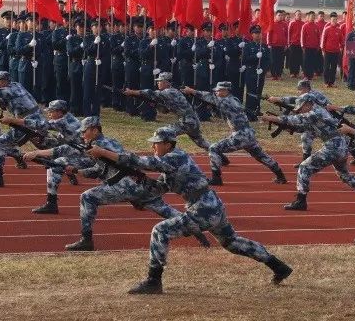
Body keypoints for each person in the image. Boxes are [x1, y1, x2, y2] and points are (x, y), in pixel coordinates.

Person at [89, 126, 291, 294]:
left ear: (168, 144)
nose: (152, 146)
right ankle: (278, 266)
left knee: (160, 231)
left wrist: (105, 153)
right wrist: (137, 178)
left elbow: (141, 162)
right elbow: (158, 188)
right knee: (231, 242)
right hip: (210, 205)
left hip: (203, 208)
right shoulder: (169, 162)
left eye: (156, 143)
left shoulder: (174, 157)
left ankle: (153, 281)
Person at [61, 118, 209, 253]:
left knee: (87, 197)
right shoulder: (102, 144)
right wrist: (77, 171)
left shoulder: (102, 144)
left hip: (128, 184)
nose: (82, 134)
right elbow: (99, 170)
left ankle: (86, 240)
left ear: (94, 130)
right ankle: (199, 233)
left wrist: (102, 153)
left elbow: (131, 161)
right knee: (165, 210)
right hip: (142, 185)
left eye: (84, 131)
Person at [264, 93, 355, 211]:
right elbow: (305, 127)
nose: (300, 110)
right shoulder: (318, 113)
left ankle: (301, 200)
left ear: (309, 104)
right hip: (340, 146)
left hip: (333, 146)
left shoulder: (316, 112)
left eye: (301, 107)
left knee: (304, 167)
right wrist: (288, 127)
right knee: (345, 175)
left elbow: (295, 119)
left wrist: (270, 118)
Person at [183, 82, 286, 185]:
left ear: (225, 91)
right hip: (248, 134)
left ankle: (216, 179)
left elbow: (209, 97)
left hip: (240, 135)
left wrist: (191, 91)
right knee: (260, 155)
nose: (216, 92)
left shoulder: (226, 101)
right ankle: (280, 175)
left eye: (218, 90)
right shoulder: (233, 99)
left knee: (213, 148)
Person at [23, 99, 86, 214]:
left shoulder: (63, 122)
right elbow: (60, 141)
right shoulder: (68, 117)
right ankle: (67, 173)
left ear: (60, 112)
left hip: (82, 156)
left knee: (54, 166)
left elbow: (60, 148)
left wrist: (13, 120)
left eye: (51, 111)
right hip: (74, 150)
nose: (48, 114)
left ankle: (51, 204)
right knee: (44, 144)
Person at [126, 72, 213, 153]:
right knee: (201, 142)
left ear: (167, 83)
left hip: (187, 122)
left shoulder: (169, 92)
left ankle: (173, 154)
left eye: (160, 81)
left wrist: (132, 92)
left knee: (162, 132)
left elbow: (150, 93)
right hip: (191, 121)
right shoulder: (170, 93)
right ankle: (219, 154)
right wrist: (155, 105)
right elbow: (165, 111)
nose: (158, 83)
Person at [240, 25, 270, 119]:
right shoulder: (248, 46)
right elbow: (245, 59)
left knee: (258, 92)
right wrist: (255, 57)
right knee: (251, 92)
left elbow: (268, 60)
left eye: (259, 33)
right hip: (251, 72)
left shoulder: (264, 46)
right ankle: (249, 113)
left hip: (260, 73)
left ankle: (256, 111)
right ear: (252, 35)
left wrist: (263, 69)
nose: (258, 35)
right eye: (256, 33)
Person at [320, 13, 344, 88]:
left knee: (334, 68)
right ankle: (326, 82)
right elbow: (323, 41)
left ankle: (332, 82)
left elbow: (341, 41)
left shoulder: (339, 30)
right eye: (333, 20)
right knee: (326, 67)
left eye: (336, 20)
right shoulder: (326, 29)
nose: (334, 21)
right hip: (327, 51)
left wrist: (342, 47)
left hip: (336, 52)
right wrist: (323, 50)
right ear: (330, 20)